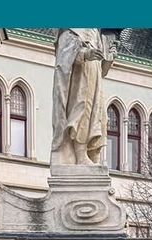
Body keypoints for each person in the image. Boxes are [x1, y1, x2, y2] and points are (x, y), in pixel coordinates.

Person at [51, 28, 118, 167]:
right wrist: (85, 53)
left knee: (98, 117)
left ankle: (91, 154)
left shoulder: (95, 32)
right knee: (82, 115)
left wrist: (109, 57)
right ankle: (80, 155)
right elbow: (64, 57)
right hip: (80, 81)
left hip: (95, 79)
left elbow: (102, 68)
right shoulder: (71, 30)